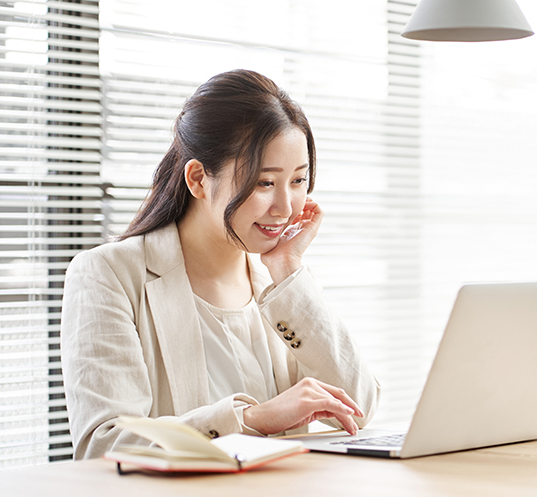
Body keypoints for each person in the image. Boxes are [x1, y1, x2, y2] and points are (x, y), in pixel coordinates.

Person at [61, 69, 380, 460]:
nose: (285, 207)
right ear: (197, 179)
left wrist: (288, 270)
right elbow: (103, 446)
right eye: (265, 183)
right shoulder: (109, 274)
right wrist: (252, 419)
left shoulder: (282, 282)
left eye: (298, 181)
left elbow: (360, 406)